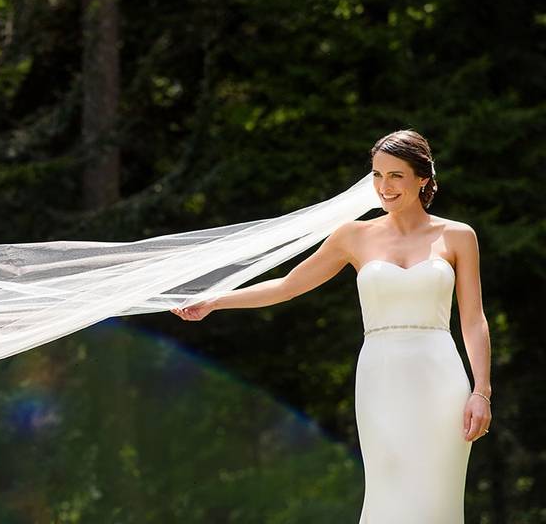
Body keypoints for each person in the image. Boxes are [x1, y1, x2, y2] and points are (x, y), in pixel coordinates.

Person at [169, 129, 492, 521]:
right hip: (381, 376)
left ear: (422, 178)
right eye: (376, 175)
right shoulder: (353, 236)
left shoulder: (458, 236)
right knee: (388, 488)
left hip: (441, 378)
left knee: (437, 496)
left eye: (395, 176)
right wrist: (217, 300)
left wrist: (481, 391)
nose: (383, 187)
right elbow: (289, 286)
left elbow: (473, 319)